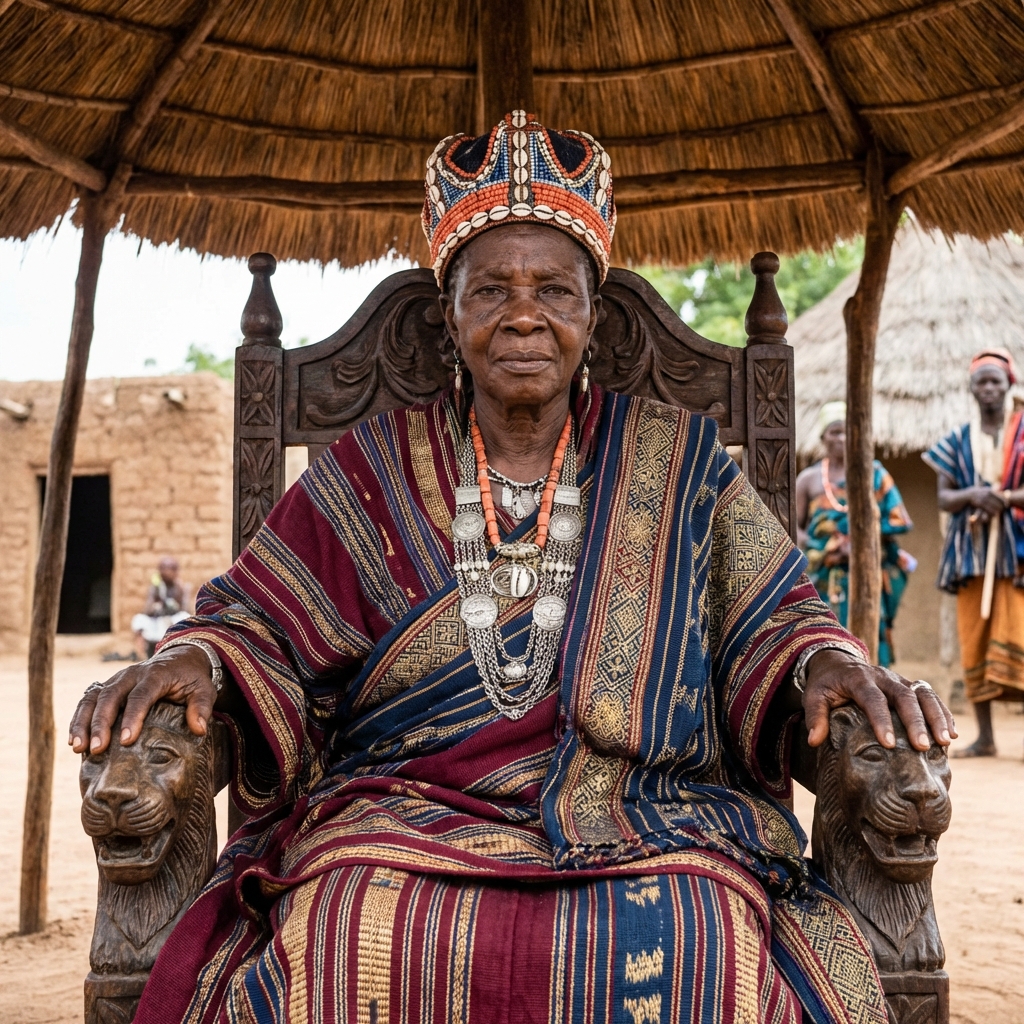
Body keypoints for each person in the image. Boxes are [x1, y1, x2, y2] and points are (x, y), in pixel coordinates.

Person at [70, 113, 953, 1024]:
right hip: (402, 822)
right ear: (448, 316)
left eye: (554, 290)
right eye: (490, 289)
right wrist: (200, 657)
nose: (524, 314)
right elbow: (257, 619)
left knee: (706, 936)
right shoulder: (374, 465)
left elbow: (777, 619)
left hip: (650, 819)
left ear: (592, 315)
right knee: (338, 927)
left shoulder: (678, 460)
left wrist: (825, 662)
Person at [923, 348, 1024, 757]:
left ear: (1009, 385)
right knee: (975, 639)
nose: (988, 388)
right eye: (981, 381)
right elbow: (945, 498)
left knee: (1018, 634)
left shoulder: (1022, 435)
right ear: (971, 388)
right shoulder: (957, 440)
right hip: (972, 554)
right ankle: (985, 738)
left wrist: (1007, 498)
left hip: (1016, 556)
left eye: (995, 381)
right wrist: (975, 495)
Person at [796, 402, 915, 666]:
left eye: (847, 432)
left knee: (868, 631)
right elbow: (792, 527)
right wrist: (822, 548)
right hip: (822, 576)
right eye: (835, 432)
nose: (841, 438)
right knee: (823, 637)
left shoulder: (874, 475)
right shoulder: (808, 479)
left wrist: (861, 543)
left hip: (865, 571)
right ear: (823, 438)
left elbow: (899, 520)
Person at [129, 556, 190, 661]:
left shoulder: (181, 587)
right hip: (157, 621)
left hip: (172, 622)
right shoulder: (156, 587)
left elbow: (185, 609)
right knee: (138, 620)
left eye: (170, 569)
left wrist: (174, 606)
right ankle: (140, 656)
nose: (166, 572)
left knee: (185, 618)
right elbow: (147, 609)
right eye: (163, 569)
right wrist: (157, 605)